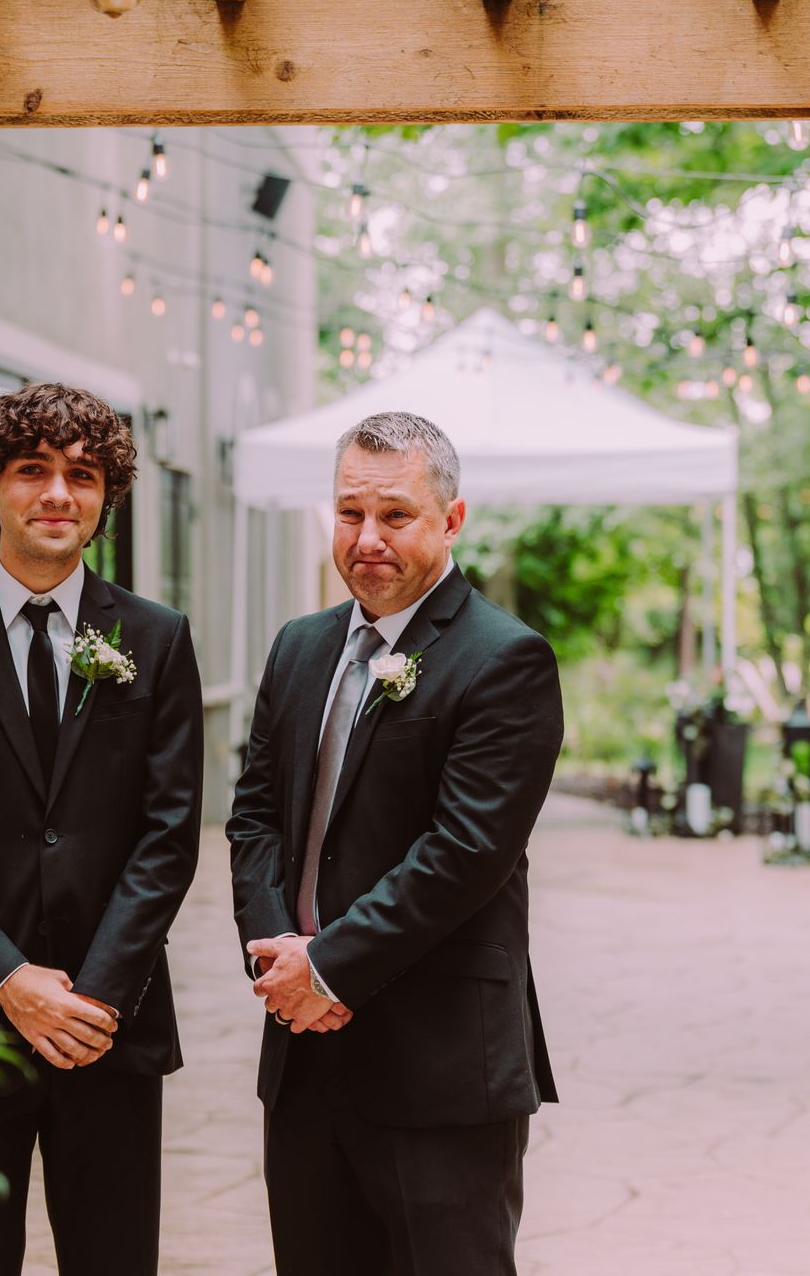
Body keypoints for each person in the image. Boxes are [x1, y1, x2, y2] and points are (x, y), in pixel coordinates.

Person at [0, 381, 203, 1276]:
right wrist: (10, 981)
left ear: (104, 499)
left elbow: (169, 836)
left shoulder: (159, 640)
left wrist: (92, 998)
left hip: (111, 1026)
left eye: (82, 475)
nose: (58, 493)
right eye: (32, 470)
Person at [228, 411, 563, 1276]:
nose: (367, 538)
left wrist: (328, 965)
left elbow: (466, 853)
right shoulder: (299, 648)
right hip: (303, 1052)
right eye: (348, 514)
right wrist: (280, 963)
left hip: (439, 1064)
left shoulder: (504, 659)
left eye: (394, 515)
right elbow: (256, 817)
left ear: (450, 520)